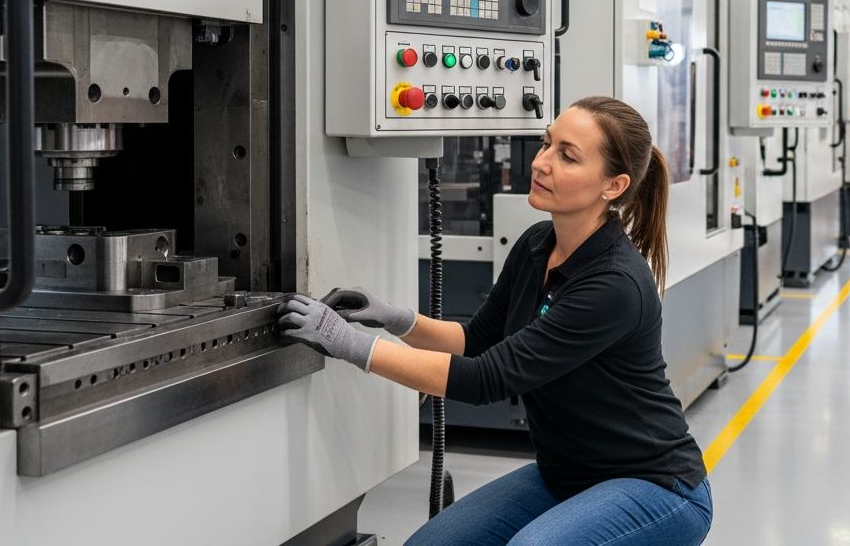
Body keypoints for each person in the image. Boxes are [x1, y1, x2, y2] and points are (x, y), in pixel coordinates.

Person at [277, 96, 712, 546]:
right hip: (567, 474)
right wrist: (398, 319)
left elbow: (486, 378)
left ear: (613, 185)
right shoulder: (537, 244)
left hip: (655, 486)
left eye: (567, 156)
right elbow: (478, 339)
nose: (541, 162)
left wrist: (348, 344)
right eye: (546, 143)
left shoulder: (615, 284)